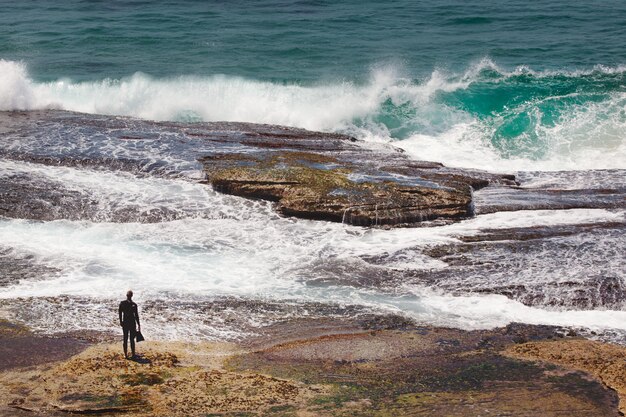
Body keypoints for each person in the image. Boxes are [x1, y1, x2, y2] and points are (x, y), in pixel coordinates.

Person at [118, 290, 141, 359]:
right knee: (131, 339)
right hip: (132, 323)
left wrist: (121, 321)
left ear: (126, 295)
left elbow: (120, 313)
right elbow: (136, 316)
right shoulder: (134, 305)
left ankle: (126, 355)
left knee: (125, 338)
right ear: (132, 296)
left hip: (125, 323)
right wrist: (138, 324)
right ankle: (133, 354)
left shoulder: (122, 303)